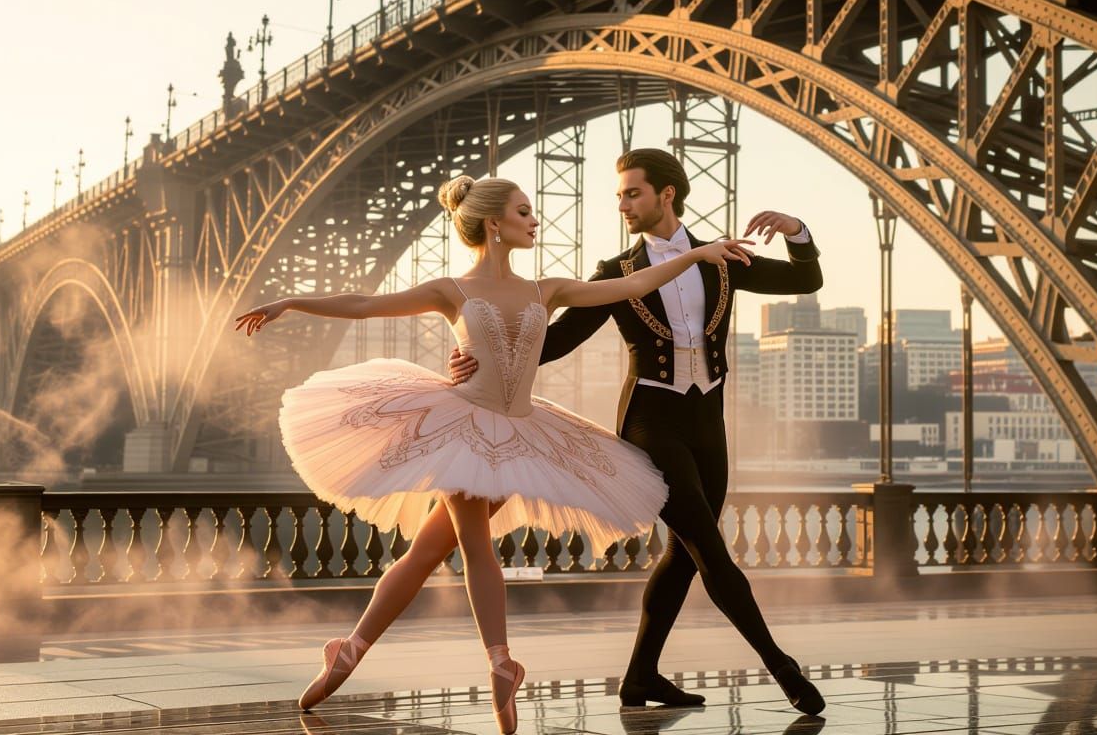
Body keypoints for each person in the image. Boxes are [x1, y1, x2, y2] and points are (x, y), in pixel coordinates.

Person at [233, 174, 755, 733]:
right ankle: (354, 650)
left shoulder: (529, 289)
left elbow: (630, 286)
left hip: (489, 435)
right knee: (432, 551)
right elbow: (365, 303)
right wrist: (295, 301)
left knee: (468, 549)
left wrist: (697, 254)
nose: (534, 220)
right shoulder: (507, 291)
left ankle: (498, 661)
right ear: (493, 224)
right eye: (524, 212)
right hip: (504, 436)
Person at [450, 148, 826, 715]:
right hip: (650, 424)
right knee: (710, 551)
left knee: (683, 552)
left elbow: (807, 278)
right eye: (619, 195)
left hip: (708, 424)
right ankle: (783, 667)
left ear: (665, 195)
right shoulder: (615, 273)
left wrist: (795, 228)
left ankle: (640, 677)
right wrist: (476, 356)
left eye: (632, 193)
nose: (621, 204)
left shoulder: (719, 260)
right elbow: (551, 342)